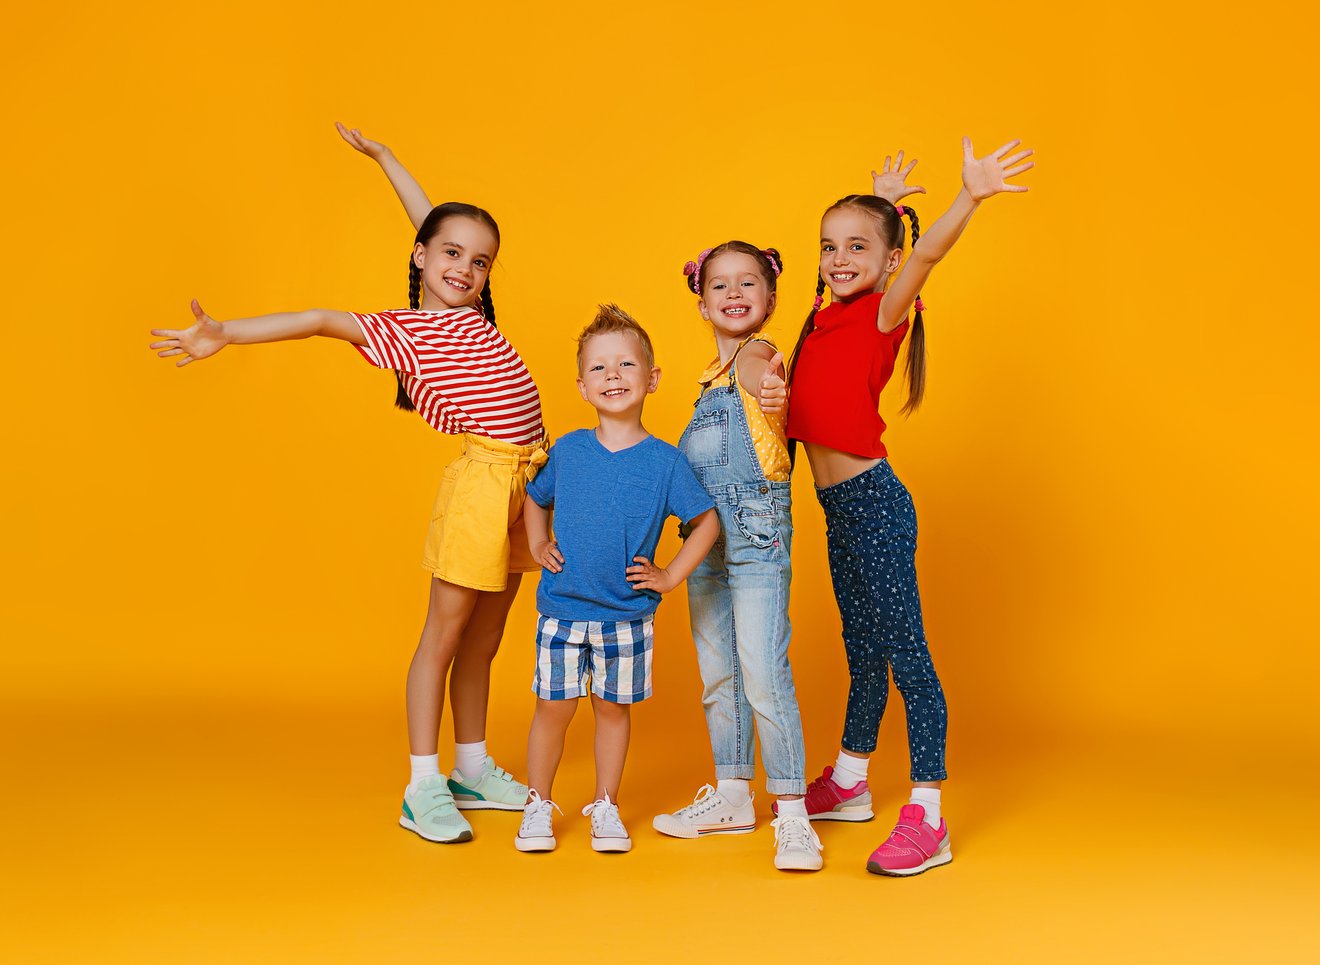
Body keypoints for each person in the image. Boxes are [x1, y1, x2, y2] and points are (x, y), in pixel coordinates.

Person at [150, 130, 550, 843]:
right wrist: (228, 332)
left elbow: (432, 223)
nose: (464, 268)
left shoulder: (471, 316)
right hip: (483, 489)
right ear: (420, 258)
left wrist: (388, 160)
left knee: (486, 639)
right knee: (443, 635)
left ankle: (472, 767)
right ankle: (423, 784)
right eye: (450, 254)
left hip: (532, 484)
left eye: (479, 260)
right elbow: (316, 321)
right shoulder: (403, 332)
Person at [786, 138, 1035, 875]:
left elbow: (925, 254)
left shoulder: (883, 312)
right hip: (837, 512)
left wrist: (968, 196)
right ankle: (851, 781)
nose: (839, 259)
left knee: (907, 657)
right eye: (829, 246)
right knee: (862, 651)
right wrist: (884, 203)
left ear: (891, 260)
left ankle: (928, 812)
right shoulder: (819, 321)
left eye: (858, 246)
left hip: (876, 506)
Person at [516, 305, 720, 853]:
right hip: (562, 610)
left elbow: (706, 522)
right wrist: (537, 544)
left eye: (626, 364)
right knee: (553, 710)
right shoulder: (568, 450)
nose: (613, 376)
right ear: (582, 387)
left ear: (652, 378)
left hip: (626, 617)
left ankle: (606, 806)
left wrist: (670, 575)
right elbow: (535, 498)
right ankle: (537, 804)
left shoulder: (665, 462)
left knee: (612, 711)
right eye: (599, 368)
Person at [651, 241, 822, 871]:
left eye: (747, 283)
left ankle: (793, 814)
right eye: (719, 285)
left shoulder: (757, 355)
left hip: (755, 537)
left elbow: (760, 373)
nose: (733, 293)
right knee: (718, 673)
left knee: (762, 671)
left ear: (769, 299)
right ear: (702, 304)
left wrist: (773, 391)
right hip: (705, 544)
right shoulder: (705, 384)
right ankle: (731, 795)